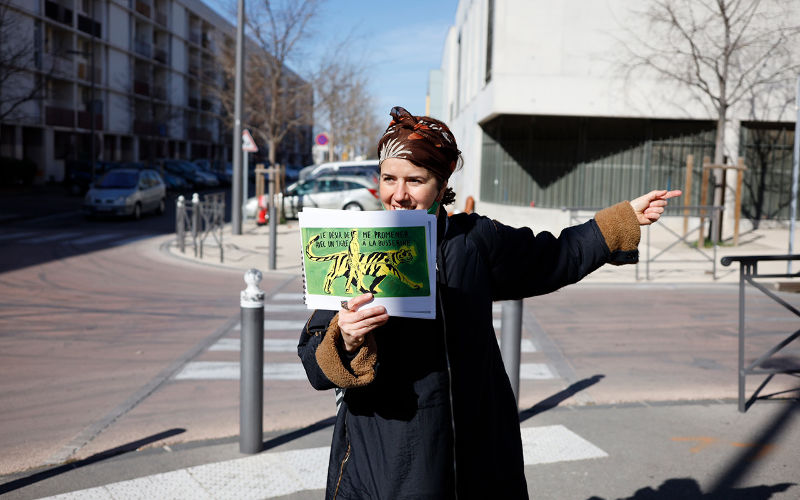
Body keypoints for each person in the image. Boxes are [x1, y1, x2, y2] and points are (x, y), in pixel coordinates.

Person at [298, 106, 681, 499]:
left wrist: (620, 221)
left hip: (477, 441)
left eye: (416, 180)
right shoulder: (354, 243)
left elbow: (553, 258)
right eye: (389, 178)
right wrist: (345, 339)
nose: (399, 195)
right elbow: (314, 362)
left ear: (441, 182)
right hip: (388, 453)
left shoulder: (474, 240)